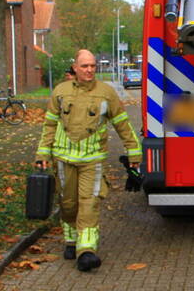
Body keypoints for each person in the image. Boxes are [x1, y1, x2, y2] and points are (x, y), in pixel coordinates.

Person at [35, 49, 142, 271]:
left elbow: (122, 124)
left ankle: (86, 251)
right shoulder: (60, 92)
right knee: (68, 204)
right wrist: (42, 154)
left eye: (93, 66)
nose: (89, 70)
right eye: (85, 66)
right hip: (64, 159)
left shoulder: (106, 93)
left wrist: (134, 153)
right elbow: (49, 125)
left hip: (93, 160)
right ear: (75, 67)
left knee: (89, 204)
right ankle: (71, 240)